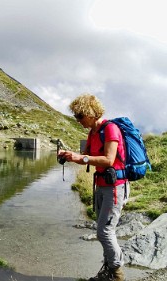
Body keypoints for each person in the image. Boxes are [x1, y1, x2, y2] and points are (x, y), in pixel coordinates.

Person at [57, 94, 128, 281]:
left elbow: (108, 160)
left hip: (115, 187)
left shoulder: (110, 129)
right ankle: (108, 271)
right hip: (101, 185)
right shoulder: (93, 133)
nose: (77, 120)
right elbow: (85, 157)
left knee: (104, 232)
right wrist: (70, 155)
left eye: (80, 116)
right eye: (75, 116)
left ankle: (117, 274)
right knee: (103, 230)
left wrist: (82, 158)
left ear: (90, 113)